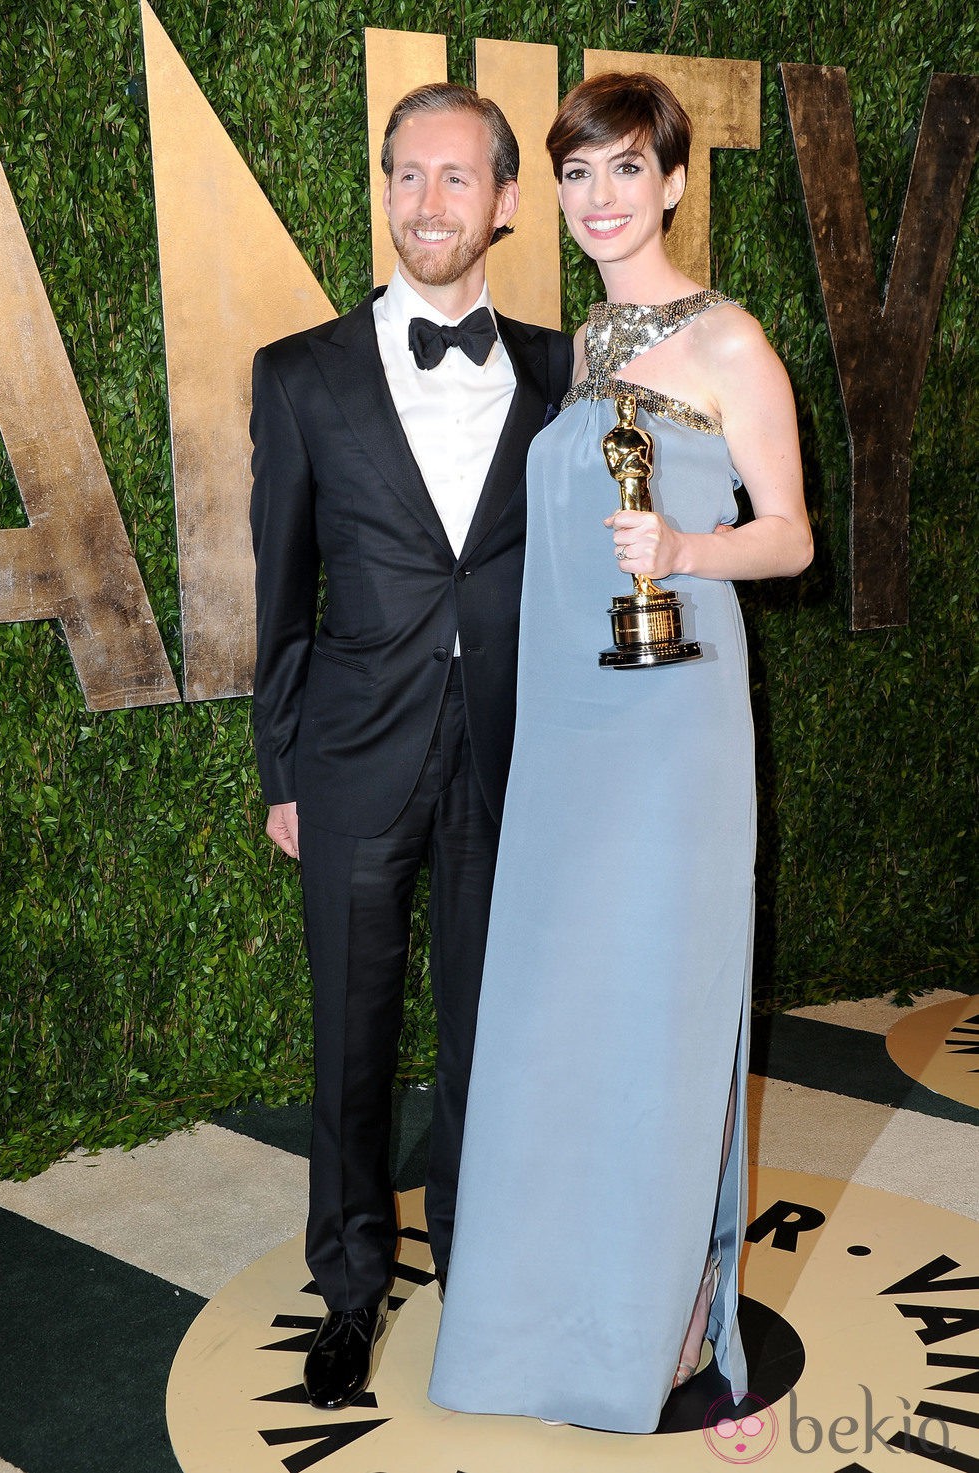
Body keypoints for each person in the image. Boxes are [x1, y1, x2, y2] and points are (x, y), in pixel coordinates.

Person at [429, 70, 813, 1433]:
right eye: (577, 174)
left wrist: (690, 549)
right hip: (574, 731)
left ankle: (663, 1318)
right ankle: (551, 1307)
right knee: (563, 1009)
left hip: (674, 726)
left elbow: (793, 533)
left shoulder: (728, 343)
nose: (600, 199)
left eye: (624, 171)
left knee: (658, 1003)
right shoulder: (587, 342)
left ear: (673, 182)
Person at [249, 82, 572, 1412]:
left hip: (515, 752)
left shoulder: (564, 368)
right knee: (352, 1036)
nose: (428, 203)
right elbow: (279, 591)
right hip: (354, 757)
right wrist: (282, 772)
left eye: (457, 178)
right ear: (384, 193)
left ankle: (489, 1268)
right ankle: (347, 1288)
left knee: (499, 1031)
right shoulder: (300, 370)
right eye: (407, 176)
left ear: (504, 200)